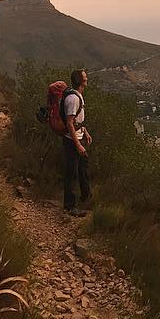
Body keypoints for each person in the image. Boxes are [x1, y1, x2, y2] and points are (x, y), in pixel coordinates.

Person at [62, 69, 93, 217]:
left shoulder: (78, 96)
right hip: (72, 141)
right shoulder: (73, 99)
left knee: (83, 170)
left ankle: (86, 198)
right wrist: (78, 144)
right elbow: (69, 123)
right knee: (72, 173)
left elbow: (77, 120)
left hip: (79, 137)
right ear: (80, 80)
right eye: (85, 76)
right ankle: (70, 206)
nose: (87, 78)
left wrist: (85, 132)